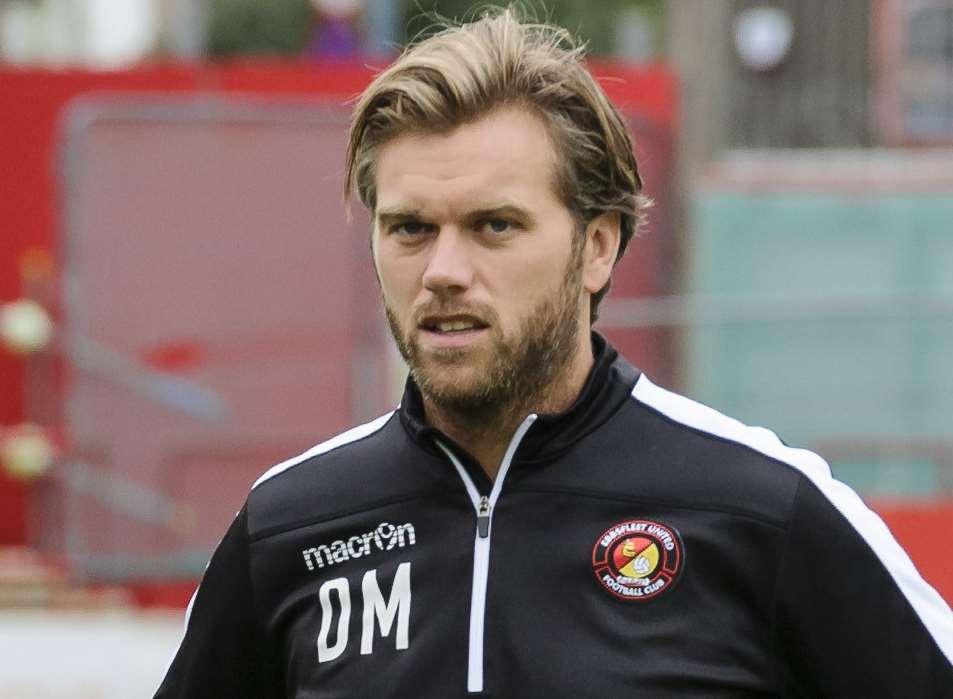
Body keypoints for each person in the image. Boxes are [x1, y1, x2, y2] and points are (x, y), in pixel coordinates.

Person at [155, 8, 953, 697]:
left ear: (596, 247)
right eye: (409, 228)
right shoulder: (290, 529)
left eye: (494, 225)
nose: (442, 272)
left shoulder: (760, 510)